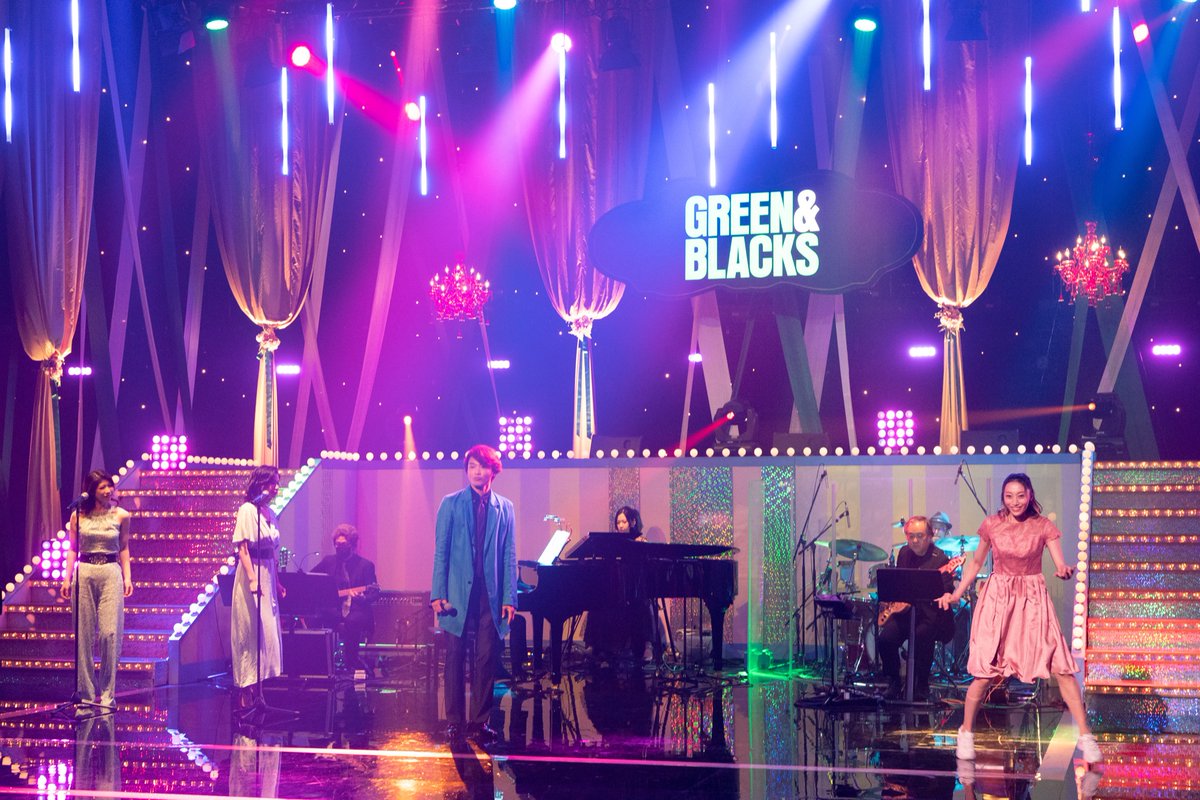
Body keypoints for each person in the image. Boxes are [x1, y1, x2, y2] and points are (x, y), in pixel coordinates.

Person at [938, 473, 1102, 764]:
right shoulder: (992, 524)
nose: (1015, 501)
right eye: (1009, 496)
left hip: (1032, 601)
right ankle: (966, 732)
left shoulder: (1043, 526)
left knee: (1062, 667)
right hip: (999, 599)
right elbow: (976, 563)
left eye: (1020, 495)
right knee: (985, 673)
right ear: (1003, 498)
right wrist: (956, 593)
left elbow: (1059, 560)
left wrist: (1063, 569)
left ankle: (1085, 735)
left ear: (1030, 495)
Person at [431, 444, 518, 743]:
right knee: (455, 655)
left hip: (489, 595)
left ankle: (480, 722)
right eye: (471, 467)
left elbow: (509, 554)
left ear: (493, 470)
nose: (476, 472)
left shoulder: (505, 507)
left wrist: (509, 597)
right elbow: (441, 551)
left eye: (482, 466)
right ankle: (455, 720)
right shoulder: (451, 503)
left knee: (485, 657)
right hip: (456, 592)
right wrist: (437, 593)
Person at [60, 469, 133, 712]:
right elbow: (72, 548)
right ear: (91, 491)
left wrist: (128, 577)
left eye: (110, 486)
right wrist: (66, 577)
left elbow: (124, 547)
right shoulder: (78, 515)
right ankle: (87, 694)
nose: (108, 490)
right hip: (85, 572)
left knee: (109, 634)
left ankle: (108, 694)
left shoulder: (121, 515)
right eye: (102, 487)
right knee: (84, 636)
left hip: (110, 571)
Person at [876, 515, 954, 701]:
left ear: (930, 536)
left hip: (929, 614)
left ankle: (921, 685)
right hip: (906, 613)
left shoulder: (940, 558)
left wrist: (945, 595)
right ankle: (894, 682)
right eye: (911, 536)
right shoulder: (904, 553)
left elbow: (947, 589)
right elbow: (898, 583)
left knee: (922, 637)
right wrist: (891, 601)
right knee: (885, 639)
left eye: (920, 536)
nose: (915, 540)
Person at [230, 466, 285, 711]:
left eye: (277, 483)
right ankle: (245, 691)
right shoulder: (247, 510)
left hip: (268, 573)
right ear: (261, 483)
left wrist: (277, 581)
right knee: (250, 632)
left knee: (267, 633)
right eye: (272, 483)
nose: (276, 488)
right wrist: (252, 579)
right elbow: (242, 548)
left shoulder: (270, 513)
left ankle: (259, 691)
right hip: (252, 572)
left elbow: (272, 551)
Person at [583, 507, 655, 665]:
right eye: (618, 522)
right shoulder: (612, 543)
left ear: (632, 522)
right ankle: (597, 647)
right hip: (616, 589)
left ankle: (646, 646)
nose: (620, 525)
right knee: (598, 604)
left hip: (635, 590)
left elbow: (645, 569)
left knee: (640, 606)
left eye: (624, 522)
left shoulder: (640, 541)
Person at [312, 523, 380, 675]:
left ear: (352, 544)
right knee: (317, 617)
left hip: (357, 609)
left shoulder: (365, 565)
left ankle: (351, 664)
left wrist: (363, 598)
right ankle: (321, 665)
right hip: (334, 608)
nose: (338, 547)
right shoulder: (329, 561)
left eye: (342, 544)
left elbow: (374, 593)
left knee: (352, 621)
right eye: (336, 544)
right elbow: (313, 579)